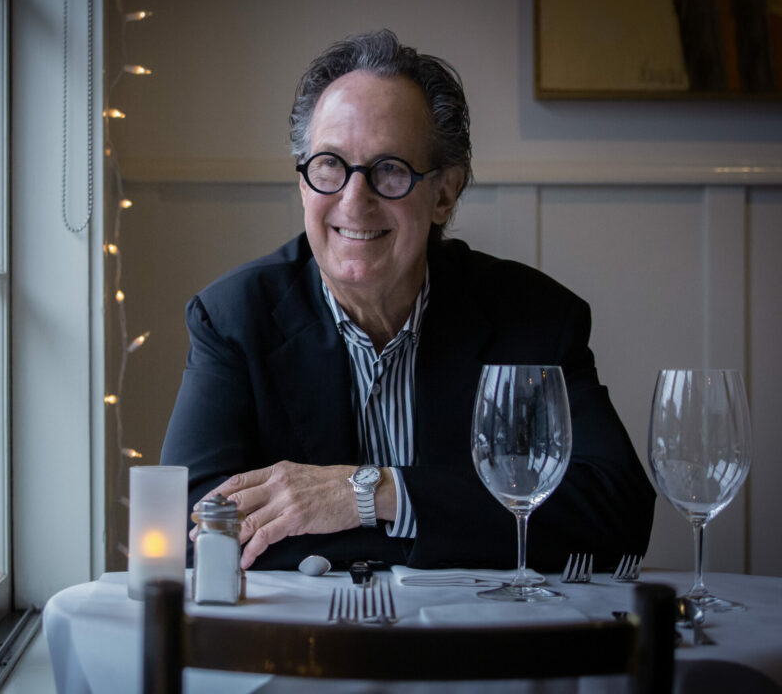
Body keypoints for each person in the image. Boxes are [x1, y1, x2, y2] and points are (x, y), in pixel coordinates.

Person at [160, 30, 654, 572]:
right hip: (303, 649)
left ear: (444, 194)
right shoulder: (234, 319)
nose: (354, 201)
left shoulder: (532, 317)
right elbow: (194, 528)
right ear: (303, 183)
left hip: (485, 648)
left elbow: (618, 512)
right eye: (329, 164)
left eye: (389, 169)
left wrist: (374, 493)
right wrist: (445, 530)